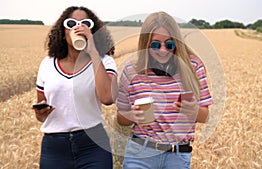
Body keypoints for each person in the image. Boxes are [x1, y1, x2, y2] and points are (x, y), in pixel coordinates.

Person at [116, 11, 213, 169]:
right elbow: (121, 118)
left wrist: (193, 110)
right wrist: (132, 116)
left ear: (177, 43)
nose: (163, 50)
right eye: (155, 44)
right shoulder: (131, 70)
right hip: (140, 153)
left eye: (169, 44)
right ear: (146, 44)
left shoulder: (194, 67)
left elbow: (205, 116)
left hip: (177, 156)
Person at [31, 6, 117, 169]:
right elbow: (41, 114)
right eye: (71, 23)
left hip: (93, 145)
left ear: (93, 30)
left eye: (85, 23)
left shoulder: (104, 61)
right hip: (54, 148)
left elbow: (107, 98)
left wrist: (92, 50)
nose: (78, 27)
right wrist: (40, 112)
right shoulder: (48, 64)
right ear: (63, 32)